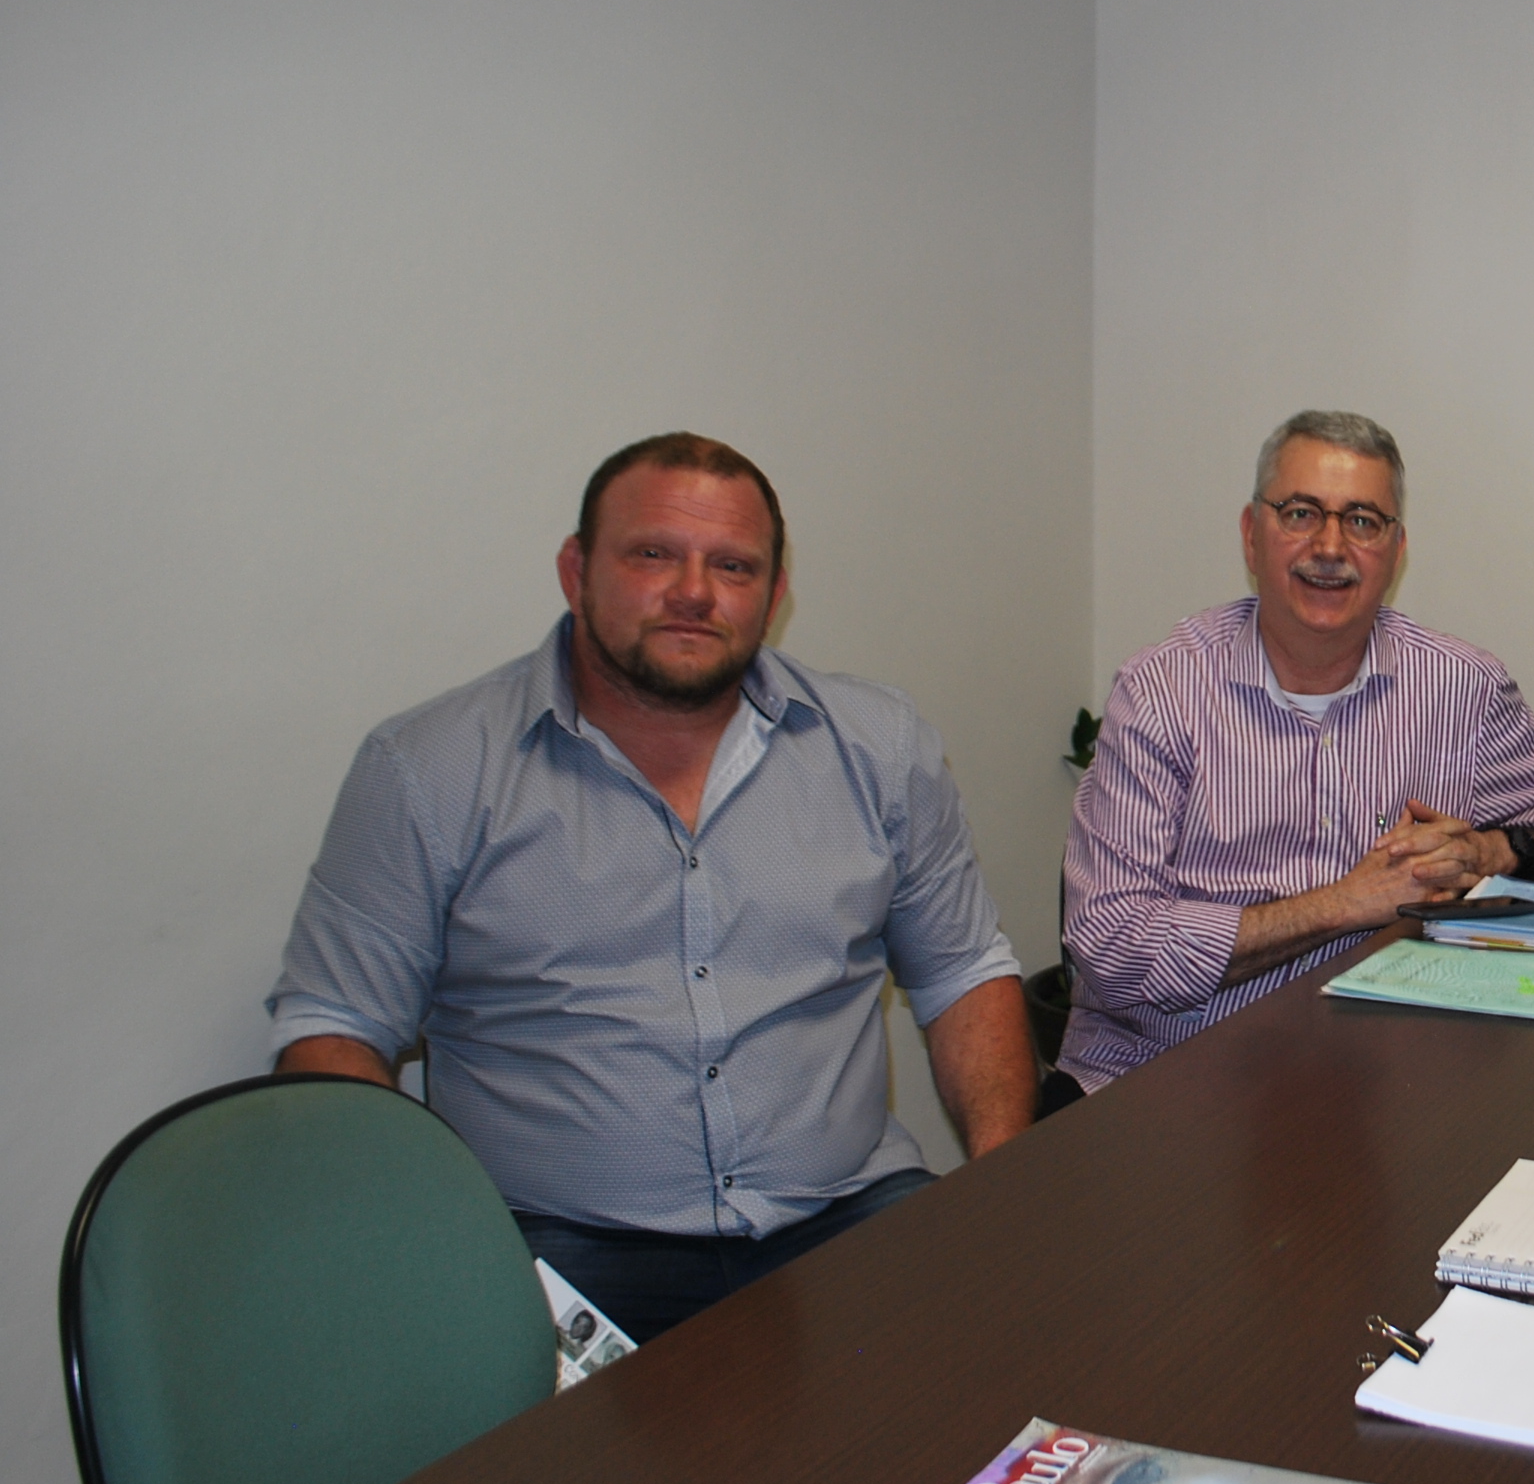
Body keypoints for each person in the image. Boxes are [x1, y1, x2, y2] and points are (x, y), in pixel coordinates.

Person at [268, 433, 1035, 1339]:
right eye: (653, 555)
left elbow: (961, 973)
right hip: (558, 1255)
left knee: (1013, 1395)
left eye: (734, 566)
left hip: (845, 1212)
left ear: (775, 596)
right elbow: (335, 1029)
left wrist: (999, 1185)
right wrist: (432, 1255)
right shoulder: (429, 769)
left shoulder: (880, 746)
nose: (694, 593)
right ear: (576, 572)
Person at [1054, 410, 1534, 1096]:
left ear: (1396, 550)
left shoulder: (1460, 686)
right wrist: (1345, 904)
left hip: (1384, 1083)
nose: (1329, 546)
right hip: (1173, 1081)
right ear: (1251, 535)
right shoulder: (1161, 694)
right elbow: (1112, 947)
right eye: (1300, 513)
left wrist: (1492, 851)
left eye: (1362, 521)